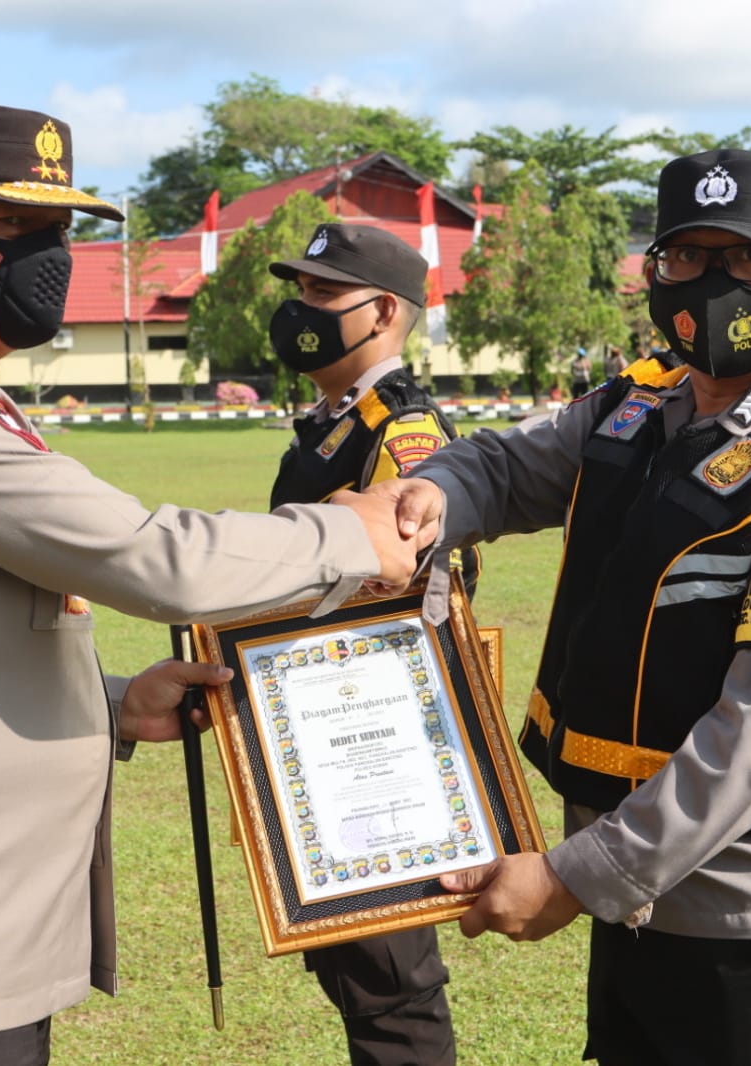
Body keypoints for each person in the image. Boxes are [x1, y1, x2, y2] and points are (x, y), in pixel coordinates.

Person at [0, 104, 427, 1066]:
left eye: (53, 232)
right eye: (7, 230)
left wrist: (113, 704)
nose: (44, 258)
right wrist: (352, 530)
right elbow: (152, 558)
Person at [363, 149, 751, 1065]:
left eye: (748, 259)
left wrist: (574, 877)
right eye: (686, 257)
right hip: (637, 911)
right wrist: (432, 495)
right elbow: (501, 465)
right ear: (651, 272)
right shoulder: (632, 410)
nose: (713, 285)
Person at [263, 221, 483, 1066]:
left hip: (372, 738)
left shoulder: (403, 434)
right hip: (313, 729)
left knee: (389, 980)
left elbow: (412, 589)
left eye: (322, 293)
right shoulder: (332, 422)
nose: (301, 309)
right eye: (303, 290)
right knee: (350, 964)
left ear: (382, 312)